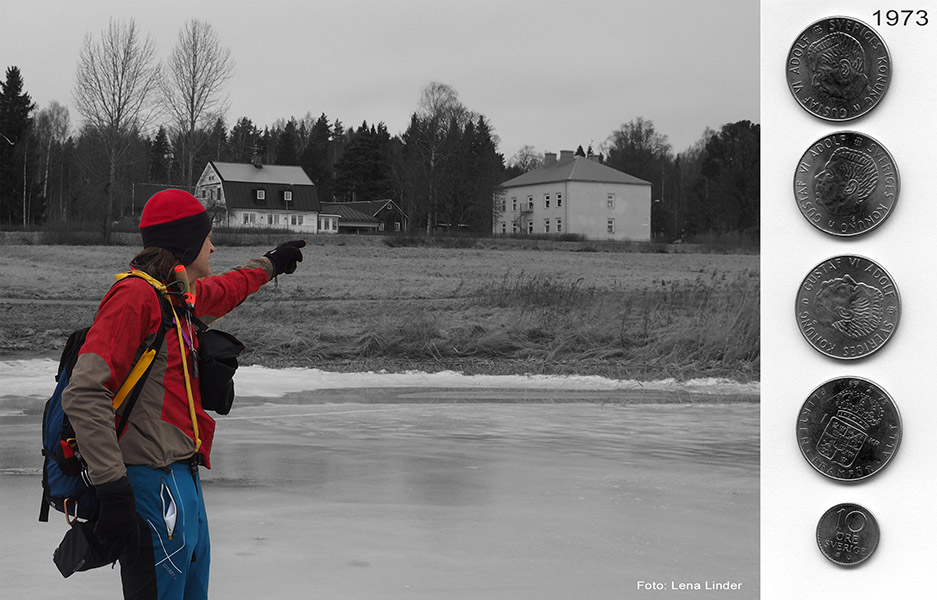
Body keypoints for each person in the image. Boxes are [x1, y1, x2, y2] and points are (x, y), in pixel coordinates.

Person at [62, 189, 305, 599]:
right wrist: (113, 488)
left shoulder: (177, 298)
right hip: (148, 482)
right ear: (186, 244)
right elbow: (85, 393)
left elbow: (229, 288)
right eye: (207, 237)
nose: (213, 245)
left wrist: (272, 263)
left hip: (182, 477)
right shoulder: (135, 298)